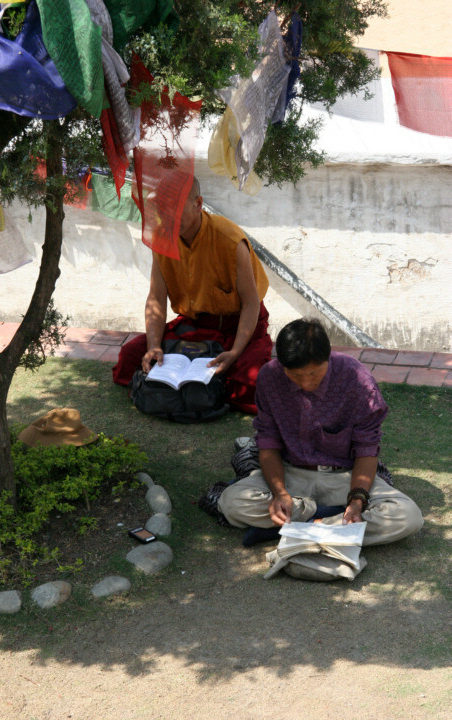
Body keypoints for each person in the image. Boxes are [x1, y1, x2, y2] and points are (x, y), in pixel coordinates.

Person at [218, 318, 424, 554]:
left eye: (314, 373)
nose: (306, 382)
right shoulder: (270, 377)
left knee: (408, 517)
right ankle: (334, 528)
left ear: (328, 358)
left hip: (343, 478)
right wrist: (280, 494)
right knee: (231, 502)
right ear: (282, 365)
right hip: (291, 475)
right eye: (295, 375)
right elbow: (268, 441)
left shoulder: (356, 380)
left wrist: (356, 502)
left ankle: (301, 528)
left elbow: (367, 448)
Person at [113, 176, 272, 413]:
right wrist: (154, 346)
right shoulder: (162, 238)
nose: (167, 219)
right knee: (130, 356)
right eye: (162, 211)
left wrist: (236, 352)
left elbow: (251, 304)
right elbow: (156, 298)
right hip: (192, 327)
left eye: (174, 210)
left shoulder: (229, 240)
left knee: (250, 381)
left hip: (237, 326)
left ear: (198, 204)